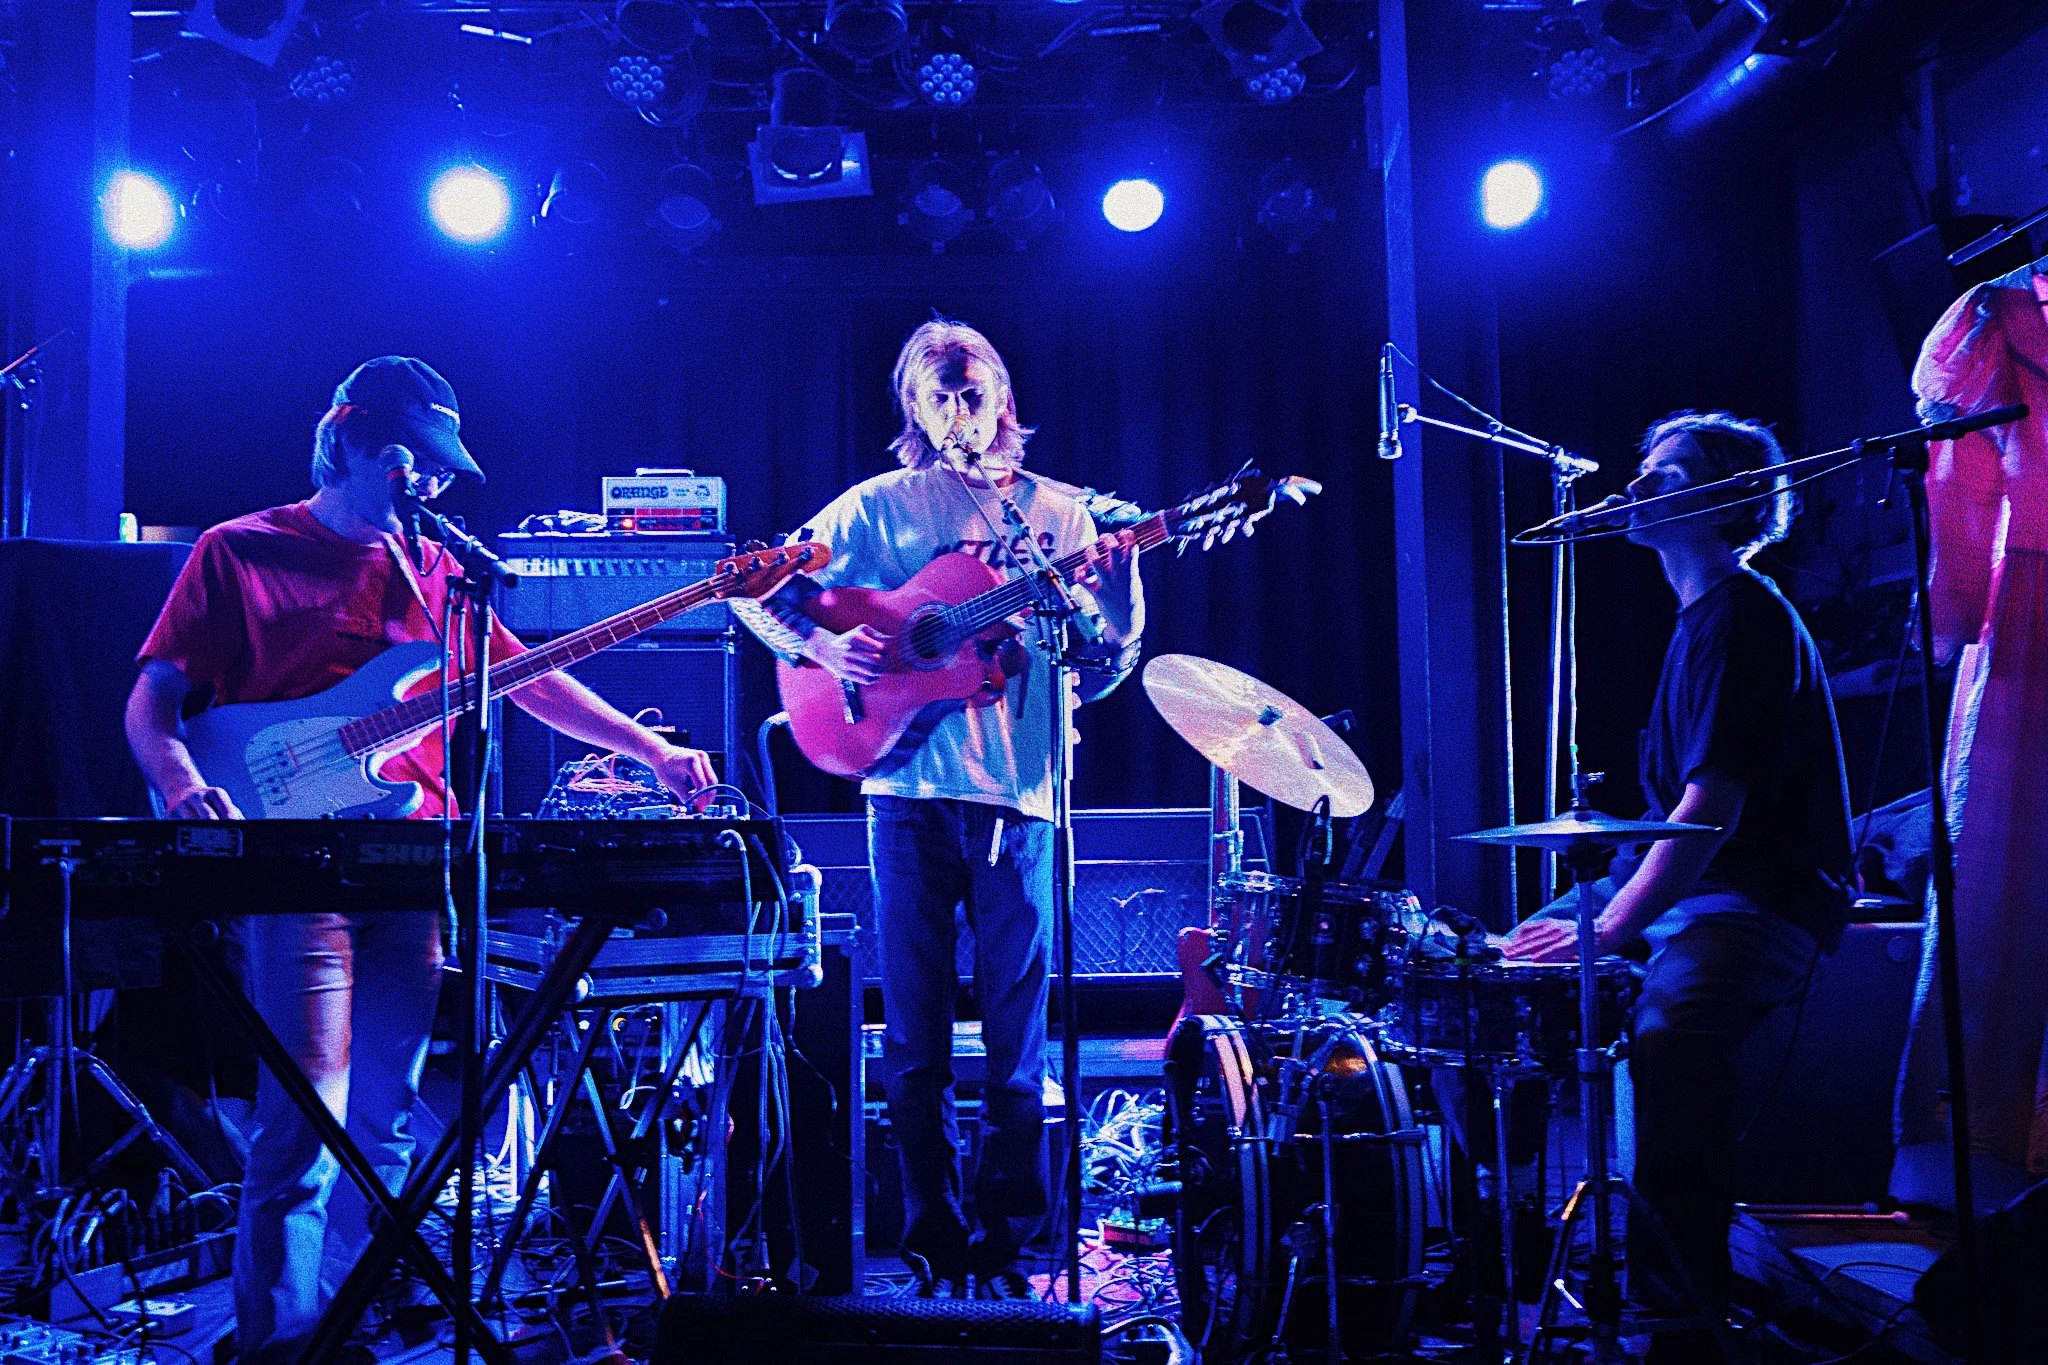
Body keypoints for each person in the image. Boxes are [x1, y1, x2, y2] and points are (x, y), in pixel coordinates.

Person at [124, 356, 717, 1363]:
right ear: (348, 441)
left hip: (413, 852)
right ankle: (283, 1343)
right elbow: (153, 701)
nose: (428, 484)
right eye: (409, 460)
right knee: (304, 1111)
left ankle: (364, 1326)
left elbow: (528, 685)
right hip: (293, 854)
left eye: (442, 468)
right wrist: (182, 784)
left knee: (387, 1114)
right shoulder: (240, 550)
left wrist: (651, 750)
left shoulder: (436, 567)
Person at [737, 319, 1144, 1299]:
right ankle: (930, 1244)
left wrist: (1123, 589)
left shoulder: (1061, 515)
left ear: (1001, 399)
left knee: (1017, 1046)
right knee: (913, 1041)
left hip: (1022, 796)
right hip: (909, 799)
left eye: (971, 393)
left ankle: (1007, 1245)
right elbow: (752, 596)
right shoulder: (878, 506)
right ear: (911, 409)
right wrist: (821, 652)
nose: (956, 411)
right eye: (935, 395)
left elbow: (1105, 668)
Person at [1505, 411, 1852, 1362]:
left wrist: (1611, 926)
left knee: (1673, 1031)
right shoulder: (1695, 620)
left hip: (1758, 896)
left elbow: (1711, 814)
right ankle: (1502, 1237)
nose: (1639, 486)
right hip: (1691, 891)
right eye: (1644, 468)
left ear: (1729, 501)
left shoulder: (1745, 615)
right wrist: (1595, 919)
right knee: (1483, 974)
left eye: (1668, 474)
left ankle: (1678, 1308)